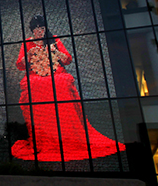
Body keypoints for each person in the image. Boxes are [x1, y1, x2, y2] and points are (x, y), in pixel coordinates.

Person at [11, 15, 125, 162]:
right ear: (32, 31)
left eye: (42, 28)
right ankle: (44, 136)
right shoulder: (27, 43)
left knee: (61, 82)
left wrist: (55, 51)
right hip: (36, 75)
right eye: (36, 29)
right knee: (33, 85)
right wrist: (29, 54)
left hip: (56, 72)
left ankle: (68, 133)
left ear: (45, 29)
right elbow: (20, 65)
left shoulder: (54, 39)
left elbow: (68, 59)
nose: (39, 31)